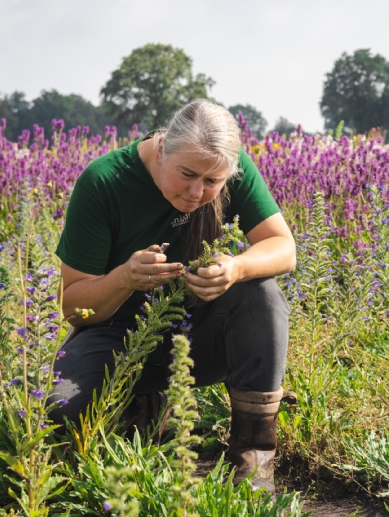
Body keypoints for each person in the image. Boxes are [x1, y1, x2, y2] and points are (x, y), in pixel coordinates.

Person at [48, 99, 295, 493]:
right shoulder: (104, 182)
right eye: (187, 174)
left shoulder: (229, 169)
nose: (198, 192)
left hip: (199, 335)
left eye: (213, 182)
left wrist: (236, 268)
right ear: (162, 148)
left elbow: (284, 247)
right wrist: (124, 278)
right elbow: (74, 308)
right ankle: (147, 407)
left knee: (261, 293)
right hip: (119, 338)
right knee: (59, 414)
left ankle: (254, 456)